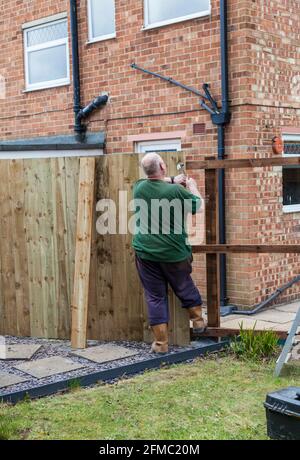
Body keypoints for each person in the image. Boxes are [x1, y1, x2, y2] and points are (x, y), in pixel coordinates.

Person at [132, 152, 206, 354]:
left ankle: (161, 344)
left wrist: (173, 179)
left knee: (155, 296)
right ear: (163, 166)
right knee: (184, 285)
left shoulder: (139, 188)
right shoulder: (176, 192)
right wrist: (193, 187)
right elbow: (198, 207)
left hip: (145, 253)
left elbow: (153, 179)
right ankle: (198, 322)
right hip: (174, 252)